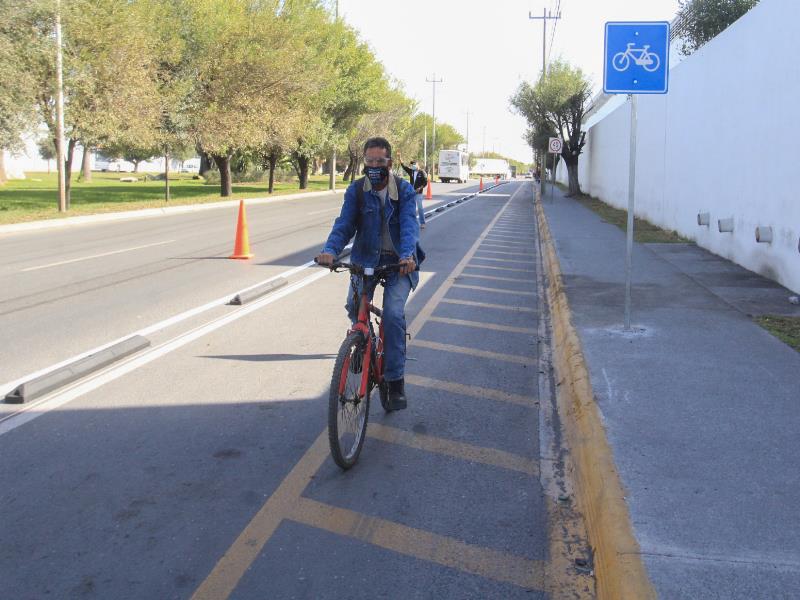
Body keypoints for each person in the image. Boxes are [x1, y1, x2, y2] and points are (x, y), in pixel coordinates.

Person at [316, 137, 422, 410]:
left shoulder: (404, 190)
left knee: (393, 315)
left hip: (399, 263)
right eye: (370, 161)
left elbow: (410, 225)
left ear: (389, 162)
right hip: (365, 260)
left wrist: (407, 255)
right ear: (365, 162)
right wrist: (330, 250)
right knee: (354, 305)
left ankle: (395, 380)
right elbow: (345, 224)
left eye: (380, 162)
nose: (374, 166)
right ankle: (361, 344)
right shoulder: (356, 191)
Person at [398, 156, 428, 229]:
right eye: (412, 165)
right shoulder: (411, 171)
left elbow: (425, 182)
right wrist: (400, 159)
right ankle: (412, 223)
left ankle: (422, 223)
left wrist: (420, 188)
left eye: (414, 165)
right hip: (412, 192)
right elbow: (404, 167)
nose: (413, 166)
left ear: (417, 165)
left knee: (420, 208)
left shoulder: (422, 172)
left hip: (418, 193)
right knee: (411, 208)